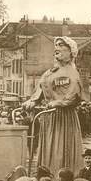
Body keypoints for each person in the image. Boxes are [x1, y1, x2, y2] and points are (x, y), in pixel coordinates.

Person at [22, 36, 83, 173]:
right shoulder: (49, 73)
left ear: (71, 52)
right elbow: (41, 89)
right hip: (49, 117)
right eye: (56, 45)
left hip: (64, 117)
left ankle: (62, 178)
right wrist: (33, 100)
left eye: (62, 45)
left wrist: (59, 103)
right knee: (49, 146)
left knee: (60, 149)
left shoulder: (72, 72)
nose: (57, 48)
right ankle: (46, 178)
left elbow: (74, 95)